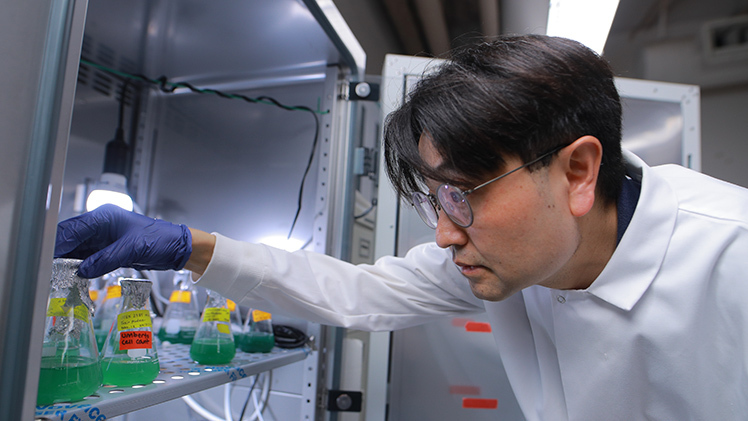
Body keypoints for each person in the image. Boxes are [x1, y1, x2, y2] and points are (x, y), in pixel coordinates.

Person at [55, 35, 748, 420]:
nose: (446, 235)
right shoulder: (511, 255)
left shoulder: (731, 257)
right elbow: (360, 292)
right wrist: (189, 246)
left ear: (577, 172)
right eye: (435, 203)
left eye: (463, 196)